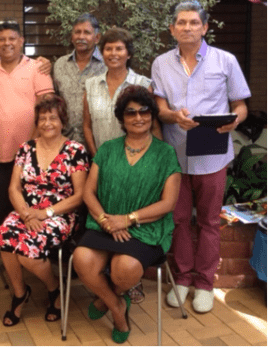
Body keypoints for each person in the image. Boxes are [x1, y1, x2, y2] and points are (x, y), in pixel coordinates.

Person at [152, 1, 251, 313]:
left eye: (194, 22)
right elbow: (159, 108)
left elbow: (241, 105)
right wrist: (172, 115)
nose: (187, 28)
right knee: (180, 220)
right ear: (172, 29)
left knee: (208, 221)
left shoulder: (226, 60)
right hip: (175, 155)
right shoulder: (161, 63)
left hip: (212, 154)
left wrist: (235, 119)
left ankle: (205, 283)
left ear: (205, 27)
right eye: (181, 23)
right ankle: (182, 279)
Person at [73, 86, 181, 344]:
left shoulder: (165, 154)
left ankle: (104, 300)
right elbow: (88, 193)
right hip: (104, 223)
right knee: (82, 259)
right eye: (130, 112)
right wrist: (106, 222)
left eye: (144, 111)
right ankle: (117, 305)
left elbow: (168, 203)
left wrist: (128, 219)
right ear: (122, 118)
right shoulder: (108, 149)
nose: (138, 117)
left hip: (146, 228)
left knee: (126, 267)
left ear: (152, 115)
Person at [0, 94, 89, 326]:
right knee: (5, 237)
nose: (47, 123)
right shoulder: (25, 148)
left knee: (28, 251)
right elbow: (14, 188)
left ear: (63, 121)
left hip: (62, 214)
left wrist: (45, 214)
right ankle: (20, 293)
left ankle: (54, 288)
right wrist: (26, 213)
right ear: (36, 122)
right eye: (43, 118)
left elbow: (79, 196)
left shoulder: (75, 150)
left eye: (53, 118)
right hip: (27, 210)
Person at [0, 19, 54, 226]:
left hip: (34, 155)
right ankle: (4, 255)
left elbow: (46, 110)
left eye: (12, 39)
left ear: (21, 41)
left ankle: (29, 254)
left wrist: (32, 146)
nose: (6, 43)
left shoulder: (38, 69)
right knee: (1, 209)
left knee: (32, 210)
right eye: (1, 39)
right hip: (0, 155)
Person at [83, 27, 162, 158]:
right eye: (108, 49)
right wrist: (97, 157)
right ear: (102, 53)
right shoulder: (91, 85)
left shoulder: (143, 84)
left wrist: (157, 159)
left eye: (119, 49)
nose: (113, 53)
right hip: (103, 161)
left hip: (138, 161)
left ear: (129, 54)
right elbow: (87, 126)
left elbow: (154, 127)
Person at [53, 13, 106, 146]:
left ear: (97, 37)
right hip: (64, 142)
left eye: (87, 32)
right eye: (77, 32)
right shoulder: (60, 64)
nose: (81, 37)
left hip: (98, 141)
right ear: (72, 37)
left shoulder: (107, 65)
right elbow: (54, 100)